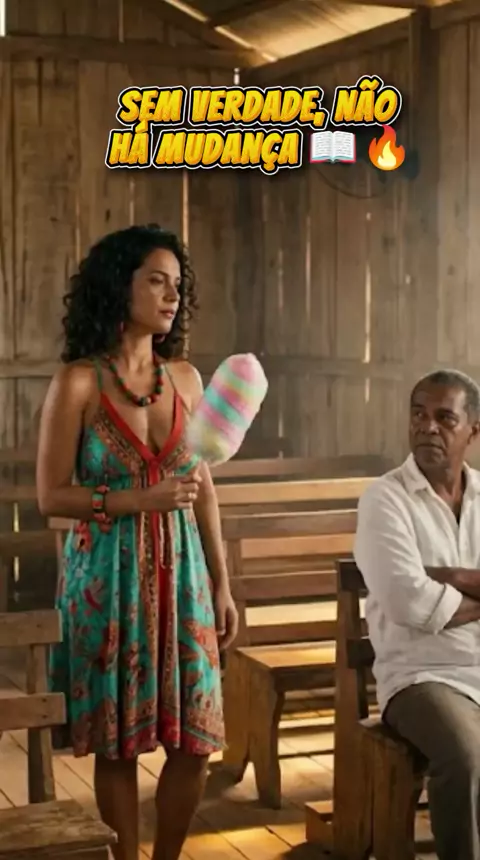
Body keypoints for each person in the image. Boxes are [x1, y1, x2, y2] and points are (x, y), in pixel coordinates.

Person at [36, 223, 239, 860]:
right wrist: (135, 501)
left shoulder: (186, 380)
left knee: (197, 742)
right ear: (118, 286)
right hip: (106, 578)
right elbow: (51, 496)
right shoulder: (78, 382)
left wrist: (222, 582)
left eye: (177, 284)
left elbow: (202, 487)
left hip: (184, 576)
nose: (172, 295)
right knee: (118, 745)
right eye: (156, 280)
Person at [354, 369, 480, 860]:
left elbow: (422, 591)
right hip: (420, 676)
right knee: (466, 757)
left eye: (445, 418)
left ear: (473, 430)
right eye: (419, 415)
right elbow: (406, 600)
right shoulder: (385, 499)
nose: (428, 427)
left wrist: (444, 576)